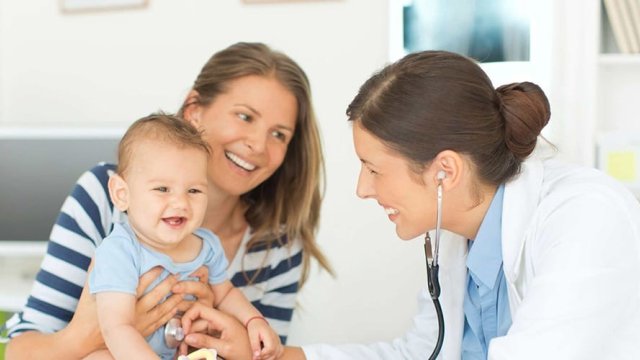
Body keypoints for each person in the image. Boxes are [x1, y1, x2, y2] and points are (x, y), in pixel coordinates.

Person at [174, 50, 640, 360]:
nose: (362, 188)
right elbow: (418, 353)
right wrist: (272, 355)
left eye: (373, 169)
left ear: (445, 171)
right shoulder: (465, 237)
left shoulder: (585, 218)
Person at [4, 42, 332, 360]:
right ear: (195, 111)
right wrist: (90, 333)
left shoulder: (276, 244)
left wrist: (233, 331)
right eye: (245, 117)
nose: (259, 145)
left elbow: (266, 352)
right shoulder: (105, 202)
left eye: (279, 134)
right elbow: (20, 354)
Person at [84, 113, 282, 360]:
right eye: (162, 189)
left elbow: (226, 293)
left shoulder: (206, 245)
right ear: (122, 194)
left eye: (194, 190)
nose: (180, 202)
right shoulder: (120, 251)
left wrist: (253, 320)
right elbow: (116, 328)